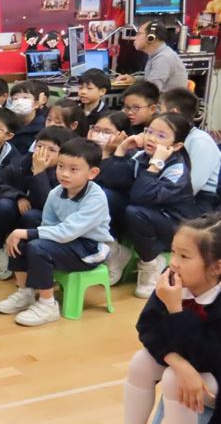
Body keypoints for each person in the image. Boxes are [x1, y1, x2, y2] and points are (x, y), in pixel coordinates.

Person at [82, 214, 221, 424]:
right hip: (192, 366)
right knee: (142, 363)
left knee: (173, 380)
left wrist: (175, 309)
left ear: (216, 267)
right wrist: (180, 364)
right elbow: (147, 329)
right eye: (173, 252)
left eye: (185, 256)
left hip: (215, 373)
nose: (173, 262)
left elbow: (208, 355)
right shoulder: (172, 281)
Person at [0, 138, 112, 326]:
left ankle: (48, 304)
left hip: (88, 249)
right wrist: (25, 235)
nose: (64, 173)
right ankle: (25, 293)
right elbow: (48, 225)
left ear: (92, 173)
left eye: (73, 169)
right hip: (65, 242)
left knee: (37, 246)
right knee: (21, 241)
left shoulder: (96, 198)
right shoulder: (56, 192)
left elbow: (68, 231)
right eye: (60, 166)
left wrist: (28, 233)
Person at [109, 112, 200, 298]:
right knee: (106, 196)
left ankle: (151, 264)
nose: (151, 138)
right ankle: (118, 251)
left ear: (176, 146)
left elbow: (142, 197)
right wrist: (121, 149)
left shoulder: (177, 169)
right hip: (145, 216)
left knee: (136, 212)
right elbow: (111, 180)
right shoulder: (140, 155)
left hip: (173, 225)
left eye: (161, 135)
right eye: (149, 131)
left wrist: (155, 164)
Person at [0, 128, 76, 280]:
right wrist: (18, 196)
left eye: (52, 150)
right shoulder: (21, 163)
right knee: (2, 207)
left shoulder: (63, 174)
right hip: (15, 214)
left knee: (32, 216)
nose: (43, 152)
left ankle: (29, 261)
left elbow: (48, 206)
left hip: (42, 221)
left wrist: (39, 173)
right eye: (40, 146)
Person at [159, 87, 221, 213]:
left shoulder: (200, 141)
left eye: (160, 110)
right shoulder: (171, 136)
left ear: (173, 113)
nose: (157, 115)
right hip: (169, 192)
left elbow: (192, 187)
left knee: (137, 212)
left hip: (197, 201)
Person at [88, 111, 133, 272]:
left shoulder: (129, 156)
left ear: (122, 135)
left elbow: (108, 180)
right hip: (88, 211)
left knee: (99, 195)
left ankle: (114, 250)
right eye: (96, 129)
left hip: (117, 208)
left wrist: (106, 153)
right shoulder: (83, 150)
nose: (100, 135)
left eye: (107, 132)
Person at [133, 21, 189, 92]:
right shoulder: (157, 55)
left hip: (164, 99)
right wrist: (134, 79)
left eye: (139, 34)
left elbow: (151, 91)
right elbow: (151, 79)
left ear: (151, 37)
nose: (135, 37)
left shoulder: (163, 58)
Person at [7, 81, 46, 154]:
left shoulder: (43, 128)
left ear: (36, 103)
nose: (19, 101)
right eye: (15, 98)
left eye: (25, 97)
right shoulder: (7, 123)